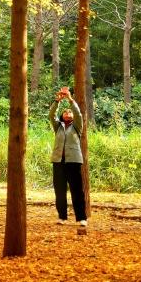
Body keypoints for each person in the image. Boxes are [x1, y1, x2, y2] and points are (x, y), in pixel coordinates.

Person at [49, 88, 87, 230]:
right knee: (60, 191)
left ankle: (81, 218)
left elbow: (78, 113)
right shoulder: (58, 126)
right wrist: (57, 101)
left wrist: (70, 99)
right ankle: (62, 217)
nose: (68, 113)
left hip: (74, 162)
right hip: (58, 162)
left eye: (69, 112)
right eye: (65, 112)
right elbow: (51, 114)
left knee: (77, 190)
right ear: (62, 115)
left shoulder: (77, 126)